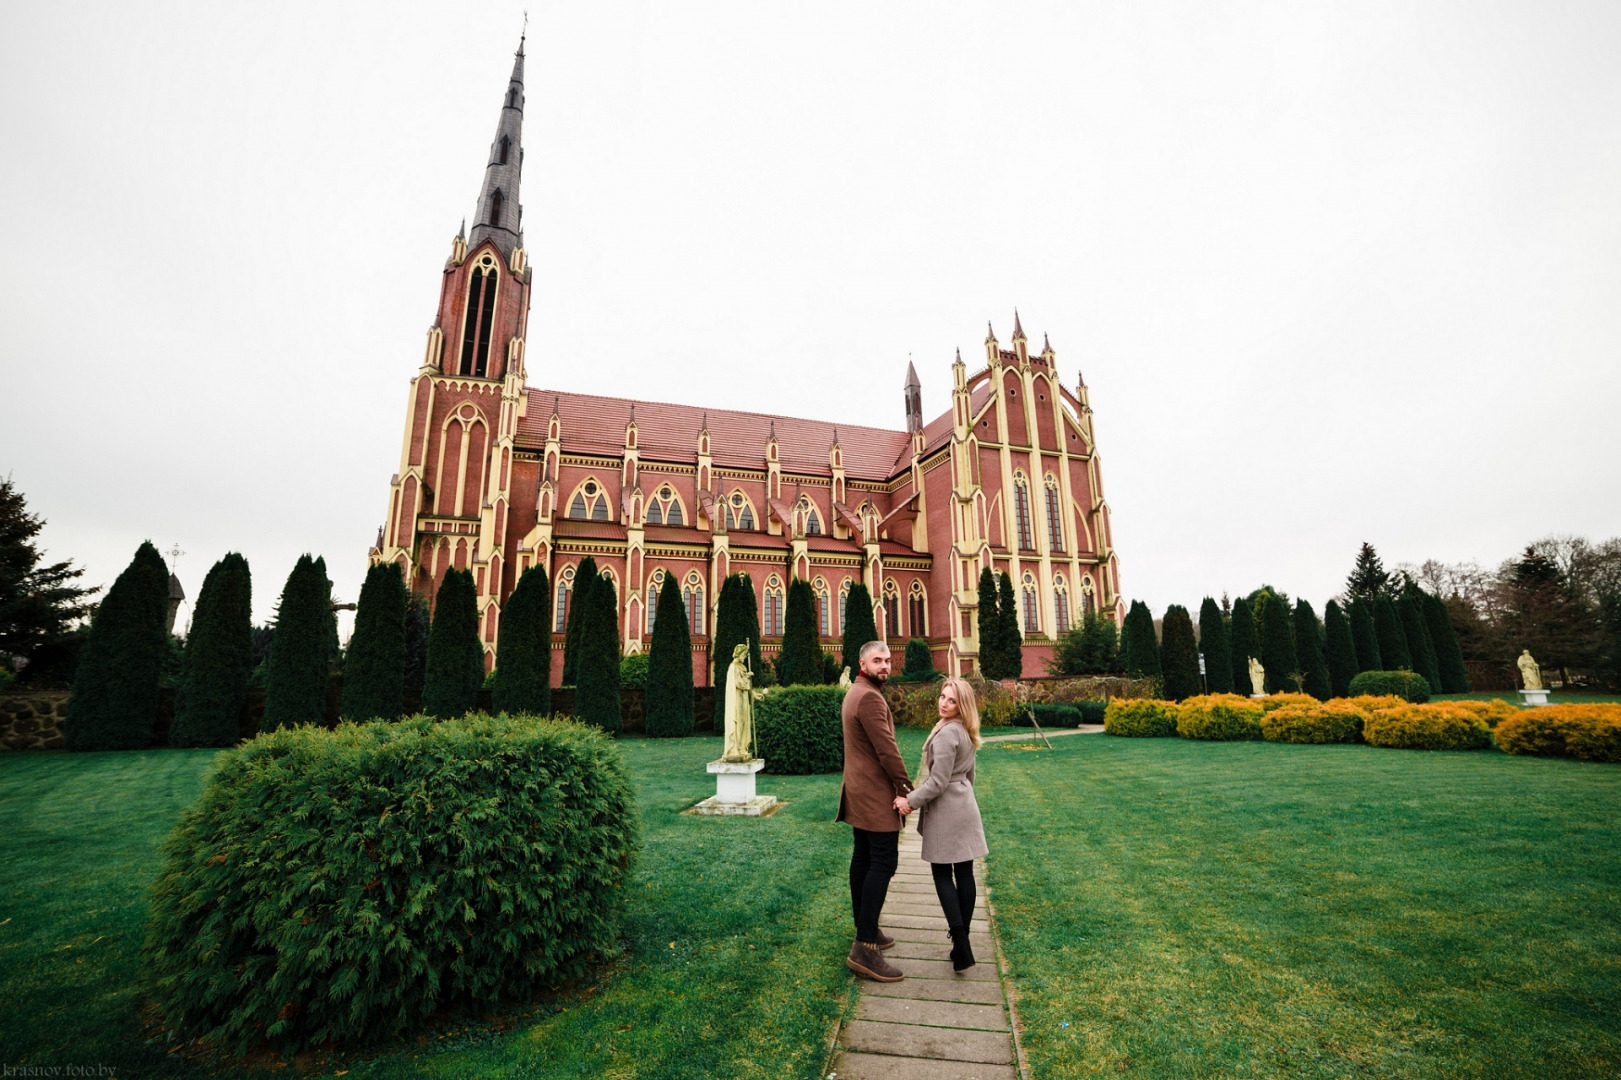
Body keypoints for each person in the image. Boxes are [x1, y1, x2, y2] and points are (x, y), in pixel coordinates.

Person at [895, 676, 988, 971]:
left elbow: (936, 782)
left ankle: (961, 943)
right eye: (942, 696)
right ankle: (963, 944)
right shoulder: (966, 730)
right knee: (965, 872)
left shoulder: (948, 733)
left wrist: (910, 801)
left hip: (947, 810)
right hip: (964, 806)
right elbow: (969, 776)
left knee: (942, 873)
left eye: (951, 700)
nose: (944, 703)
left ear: (962, 705)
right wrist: (964, 799)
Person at [835, 640, 913, 982]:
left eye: (888, 660)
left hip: (858, 790)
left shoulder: (856, 691)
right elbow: (887, 750)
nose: (885, 666)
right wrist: (905, 789)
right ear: (862, 663)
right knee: (883, 862)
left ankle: (866, 928)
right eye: (878, 661)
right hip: (874, 793)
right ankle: (865, 945)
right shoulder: (869, 697)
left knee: (864, 859)